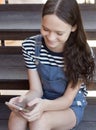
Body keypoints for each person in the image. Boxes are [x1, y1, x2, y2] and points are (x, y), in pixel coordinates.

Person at [8, 0, 95, 130]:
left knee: (39, 122)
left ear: (73, 27)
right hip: (42, 98)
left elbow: (67, 100)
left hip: (70, 105)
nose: (51, 38)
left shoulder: (83, 53)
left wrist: (44, 106)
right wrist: (23, 100)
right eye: (45, 29)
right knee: (17, 116)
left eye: (59, 33)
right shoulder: (30, 46)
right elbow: (36, 90)